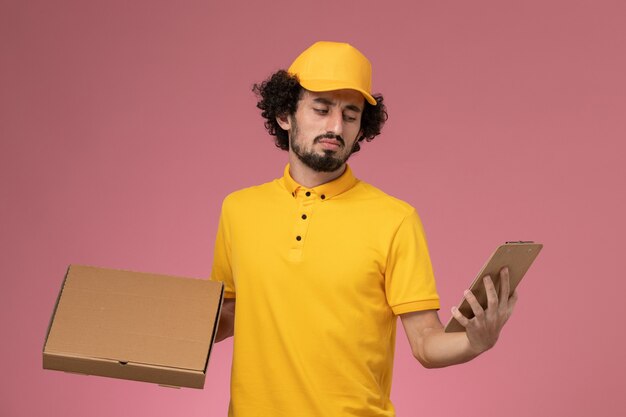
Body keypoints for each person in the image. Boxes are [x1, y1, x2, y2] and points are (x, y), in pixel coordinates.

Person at [210, 41, 517, 417]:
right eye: (321, 110)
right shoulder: (239, 210)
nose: (336, 127)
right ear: (284, 114)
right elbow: (227, 315)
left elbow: (424, 342)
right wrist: (141, 324)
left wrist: (474, 342)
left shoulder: (394, 219)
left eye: (351, 115)